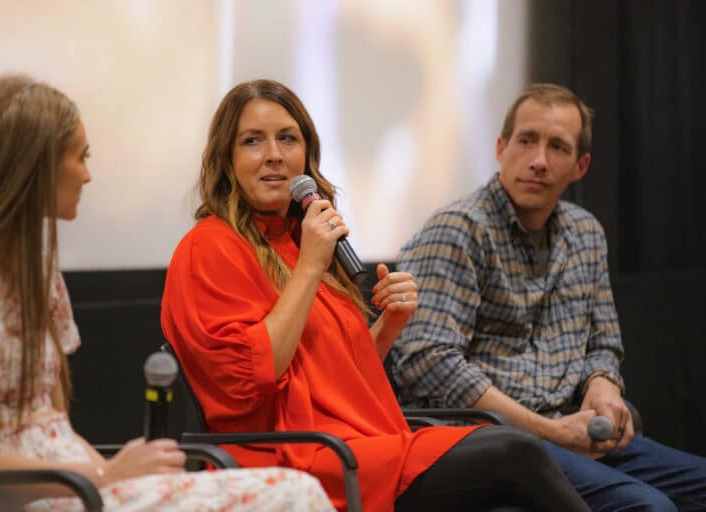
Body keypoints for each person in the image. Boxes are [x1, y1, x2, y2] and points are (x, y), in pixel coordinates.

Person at [160, 78, 590, 512]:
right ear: (227, 159)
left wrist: (388, 326)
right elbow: (255, 376)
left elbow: (331, 377)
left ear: (306, 156)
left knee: (508, 476)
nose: (274, 154)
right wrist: (310, 267)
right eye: (253, 141)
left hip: (357, 443)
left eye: (287, 139)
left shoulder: (297, 240)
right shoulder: (210, 246)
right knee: (516, 453)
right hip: (294, 458)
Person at [0, 74, 336, 512]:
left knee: (299, 490)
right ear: (31, 168)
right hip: (41, 490)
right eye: (80, 157)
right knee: (294, 493)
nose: (88, 175)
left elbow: (54, 427)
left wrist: (117, 470)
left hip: (79, 478)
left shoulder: (36, 269)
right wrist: (107, 474)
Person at [392, 82, 706, 511]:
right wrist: (548, 430)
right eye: (527, 141)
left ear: (581, 165)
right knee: (647, 507)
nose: (538, 161)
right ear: (501, 148)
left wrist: (603, 385)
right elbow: (428, 362)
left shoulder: (585, 233)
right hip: (485, 437)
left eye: (557, 147)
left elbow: (603, 344)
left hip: (568, 425)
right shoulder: (459, 229)